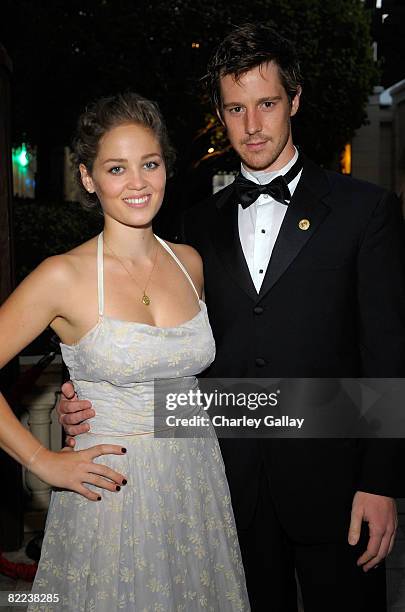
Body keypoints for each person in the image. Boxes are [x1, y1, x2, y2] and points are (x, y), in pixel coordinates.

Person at [58, 25, 405, 612]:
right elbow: (166, 345)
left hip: (337, 486)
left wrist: (381, 482)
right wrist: (90, 394)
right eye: (235, 108)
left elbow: (389, 354)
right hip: (221, 486)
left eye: (266, 104)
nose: (252, 125)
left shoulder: (365, 212)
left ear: (294, 100)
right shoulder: (193, 229)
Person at [0, 92, 250, 611]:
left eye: (150, 164)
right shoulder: (61, 275)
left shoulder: (190, 263)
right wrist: (43, 460)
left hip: (195, 483)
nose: (138, 183)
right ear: (88, 178)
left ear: (165, 169)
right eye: (117, 168)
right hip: (110, 493)